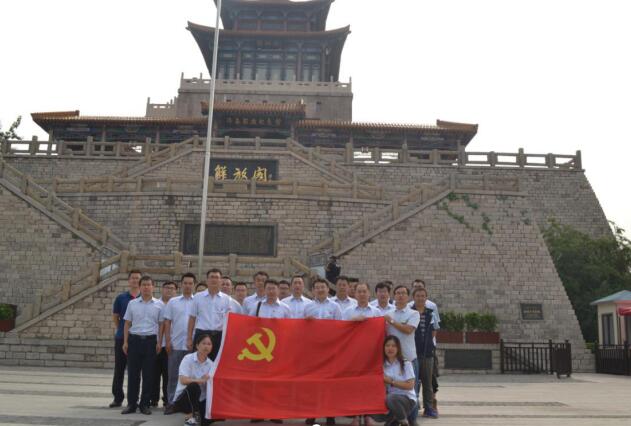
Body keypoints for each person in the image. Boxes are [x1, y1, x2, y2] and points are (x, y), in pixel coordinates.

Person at [121, 275, 163, 415]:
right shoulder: (132, 304)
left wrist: (159, 342)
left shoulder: (159, 305)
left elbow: (161, 325)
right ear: (139, 287)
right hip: (134, 341)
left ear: (153, 287)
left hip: (151, 342)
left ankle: (145, 404)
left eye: (149, 285)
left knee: (148, 375)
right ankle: (131, 404)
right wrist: (125, 342)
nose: (146, 287)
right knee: (133, 374)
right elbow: (127, 323)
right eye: (144, 285)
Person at [304, 278, 342, 426]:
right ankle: (312, 414)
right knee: (313, 385)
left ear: (328, 289)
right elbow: (301, 330)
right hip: (312, 352)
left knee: (329, 385)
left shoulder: (335, 307)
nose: (320, 289)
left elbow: (340, 328)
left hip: (330, 352)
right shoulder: (307, 307)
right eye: (317, 287)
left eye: (323, 287)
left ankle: (329, 414)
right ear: (313, 290)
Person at [384, 285, 420, 423]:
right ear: (394, 296)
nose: (400, 295)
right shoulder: (389, 313)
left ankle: (412, 420)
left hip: (408, 358)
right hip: (392, 360)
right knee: (393, 392)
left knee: (413, 391)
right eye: (398, 293)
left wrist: (392, 322)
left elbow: (408, 330)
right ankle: (399, 419)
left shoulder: (413, 313)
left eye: (403, 293)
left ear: (408, 296)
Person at [187, 268, 238, 361]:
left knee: (216, 363)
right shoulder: (198, 297)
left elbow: (230, 321)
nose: (214, 279)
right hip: (201, 334)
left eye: (217, 277)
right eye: (212, 277)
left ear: (220, 280)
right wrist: (189, 338)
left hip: (219, 336)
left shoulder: (227, 299)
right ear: (207, 280)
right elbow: (192, 318)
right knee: (199, 362)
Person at [163, 273, 196, 414]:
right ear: (181, 285)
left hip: (191, 345)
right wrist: (167, 341)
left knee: (190, 376)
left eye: (190, 283)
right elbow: (167, 322)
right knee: (173, 375)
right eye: (185, 283)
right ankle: (171, 403)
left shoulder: (198, 301)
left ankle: (188, 404)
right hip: (175, 345)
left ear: (194, 285)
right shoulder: (173, 302)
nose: (188, 286)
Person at [110, 269, 141, 408]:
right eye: (133, 278)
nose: (135, 280)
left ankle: (134, 399)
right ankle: (117, 397)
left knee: (135, 371)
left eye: (137, 278)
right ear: (129, 281)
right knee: (119, 369)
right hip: (122, 338)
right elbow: (115, 317)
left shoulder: (144, 298)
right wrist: (122, 330)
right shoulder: (121, 298)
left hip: (138, 339)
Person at [370, 336, 417, 426]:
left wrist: (392, 382)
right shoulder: (382, 366)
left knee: (391, 398)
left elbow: (410, 386)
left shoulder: (406, 363)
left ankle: (404, 422)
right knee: (374, 409)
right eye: (387, 345)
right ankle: (394, 420)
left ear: (398, 348)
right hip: (389, 401)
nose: (390, 348)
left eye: (393, 346)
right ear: (384, 348)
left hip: (407, 399)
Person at [171, 333, 214, 426]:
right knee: (194, 386)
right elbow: (183, 380)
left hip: (200, 399)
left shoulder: (211, 365)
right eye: (204, 343)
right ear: (197, 346)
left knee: (206, 422)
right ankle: (190, 418)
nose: (206, 346)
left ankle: (197, 415)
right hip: (183, 397)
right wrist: (200, 380)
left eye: (209, 344)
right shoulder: (188, 359)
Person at [411, 287, 437, 419]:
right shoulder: (410, 312)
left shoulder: (431, 314)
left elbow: (433, 332)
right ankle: (413, 408)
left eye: (423, 296)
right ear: (413, 297)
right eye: (418, 296)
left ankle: (429, 408)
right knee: (413, 383)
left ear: (426, 298)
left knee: (427, 383)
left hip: (427, 353)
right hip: (413, 353)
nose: (420, 298)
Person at [153, 281, 176, 407]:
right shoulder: (155, 304)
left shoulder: (177, 304)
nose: (169, 290)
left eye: (172, 288)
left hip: (171, 345)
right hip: (156, 344)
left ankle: (167, 399)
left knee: (169, 374)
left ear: (176, 291)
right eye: (167, 288)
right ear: (162, 289)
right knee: (154, 373)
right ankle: (153, 398)